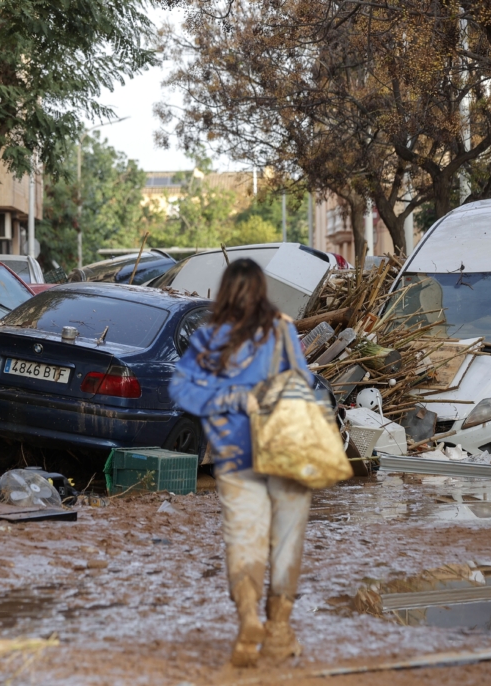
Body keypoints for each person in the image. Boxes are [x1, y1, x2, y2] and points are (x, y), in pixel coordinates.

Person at [170, 259, 313, 668]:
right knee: (285, 542)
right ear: (263, 290)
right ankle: (280, 633)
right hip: (283, 454)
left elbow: (181, 390)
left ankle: (249, 620)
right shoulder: (282, 330)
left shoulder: (209, 339)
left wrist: (226, 400)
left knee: (244, 540)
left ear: (227, 291)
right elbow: (301, 384)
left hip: (233, 459)